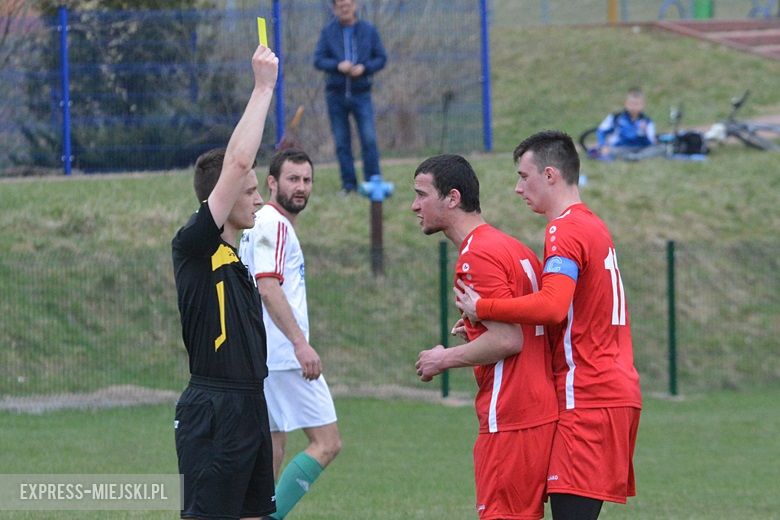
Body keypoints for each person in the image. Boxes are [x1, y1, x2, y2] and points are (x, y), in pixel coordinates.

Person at [455, 131, 642, 520]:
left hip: (589, 394)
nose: (518, 188)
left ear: (551, 175)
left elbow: (554, 307)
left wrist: (483, 305)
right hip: (609, 390)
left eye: (525, 176)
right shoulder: (592, 225)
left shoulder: (564, 229)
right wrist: (490, 315)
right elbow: (568, 308)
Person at [411, 154, 558, 520]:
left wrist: (442, 358)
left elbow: (509, 341)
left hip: (510, 414)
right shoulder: (512, 247)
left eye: (421, 194)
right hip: (537, 410)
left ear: (453, 198)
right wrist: (476, 330)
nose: (415, 205)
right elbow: (522, 324)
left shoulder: (476, 254)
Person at [171, 45, 278, 520]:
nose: (258, 200)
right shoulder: (194, 246)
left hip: (251, 404)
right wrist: (262, 89)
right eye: (251, 191)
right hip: (214, 410)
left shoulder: (236, 260)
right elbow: (237, 163)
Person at [239, 149, 341, 520]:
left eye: (307, 180)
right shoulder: (273, 224)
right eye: (292, 179)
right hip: (282, 356)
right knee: (327, 442)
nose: (301, 187)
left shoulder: (259, 223)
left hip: (263, 355)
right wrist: (300, 344)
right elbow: (267, 286)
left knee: (272, 448)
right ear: (272, 182)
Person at [314, 0, 387, 195]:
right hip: (335, 95)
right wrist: (338, 66)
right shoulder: (328, 32)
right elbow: (318, 59)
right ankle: (349, 186)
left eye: (348, 4)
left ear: (355, 5)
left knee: (369, 139)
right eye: (340, 6)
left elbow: (381, 58)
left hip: (362, 93)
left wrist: (365, 68)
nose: (345, 8)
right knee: (341, 142)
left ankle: (373, 183)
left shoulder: (369, 30)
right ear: (335, 8)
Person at [596, 87, 664, 161]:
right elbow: (601, 131)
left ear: (643, 105)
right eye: (631, 103)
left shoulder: (647, 121)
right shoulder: (616, 118)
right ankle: (631, 157)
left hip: (641, 149)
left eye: (637, 104)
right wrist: (603, 145)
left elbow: (650, 142)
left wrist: (644, 133)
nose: (634, 107)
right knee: (609, 150)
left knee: (661, 148)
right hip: (620, 148)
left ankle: (633, 157)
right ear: (626, 104)